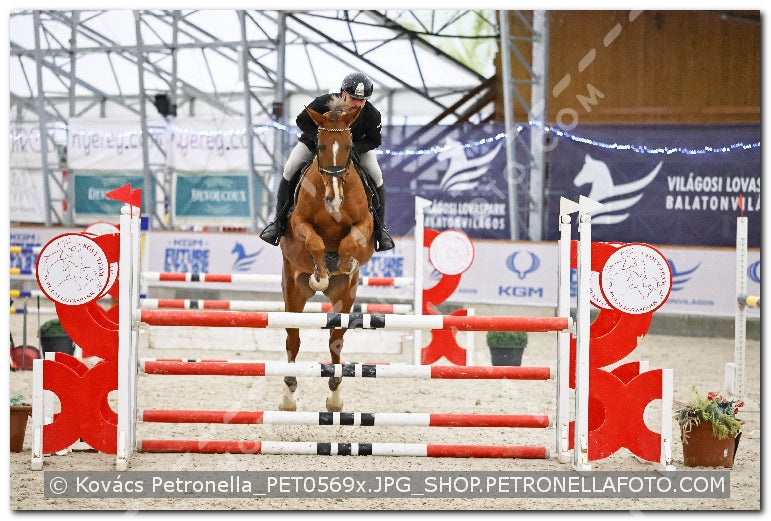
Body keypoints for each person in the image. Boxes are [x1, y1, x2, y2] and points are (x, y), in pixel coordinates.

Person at [259, 72, 395, 252]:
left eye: (363, 100)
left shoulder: (372, 114)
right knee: (290, 169)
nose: (359, 104)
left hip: (354, 151)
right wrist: (319, 141)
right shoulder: (324, 102)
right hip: (315, 146)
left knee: (377, 176)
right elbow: (302, 120)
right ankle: (278, 224)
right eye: (354, 98)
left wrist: (352, 150)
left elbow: (374, 140)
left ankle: (380, 230)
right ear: (343, 93)